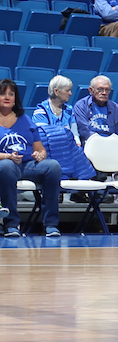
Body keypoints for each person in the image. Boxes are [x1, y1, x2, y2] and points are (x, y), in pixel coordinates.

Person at [0, 80, 61, 238]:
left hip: (28, 164)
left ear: (15, 98)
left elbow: (40, 149)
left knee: (52, 166)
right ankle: (11, 224)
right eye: (2, 93)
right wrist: (8, 156)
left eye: (11, 94)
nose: (7, 97)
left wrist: (40, 155)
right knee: (6, 166)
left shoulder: (25, 119)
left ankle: (51, 224)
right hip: (6, 164)